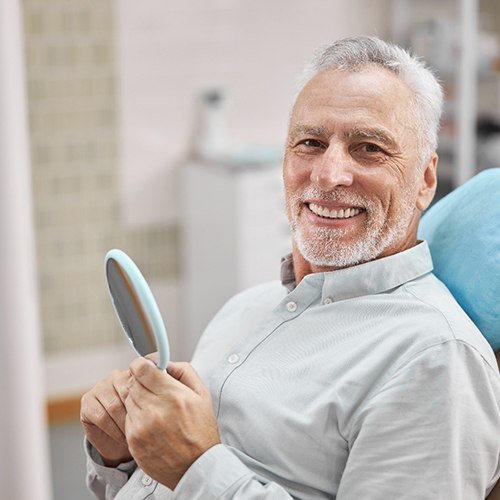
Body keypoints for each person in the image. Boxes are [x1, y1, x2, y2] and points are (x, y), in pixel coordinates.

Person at [81, 36, 500, 499]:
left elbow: (192, 473)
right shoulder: (245, 308)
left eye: (368, 148)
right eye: (310, 143)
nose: (327, 174)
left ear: (425, 179)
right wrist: (121, 459)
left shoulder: (435, 358)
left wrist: (196, 468)